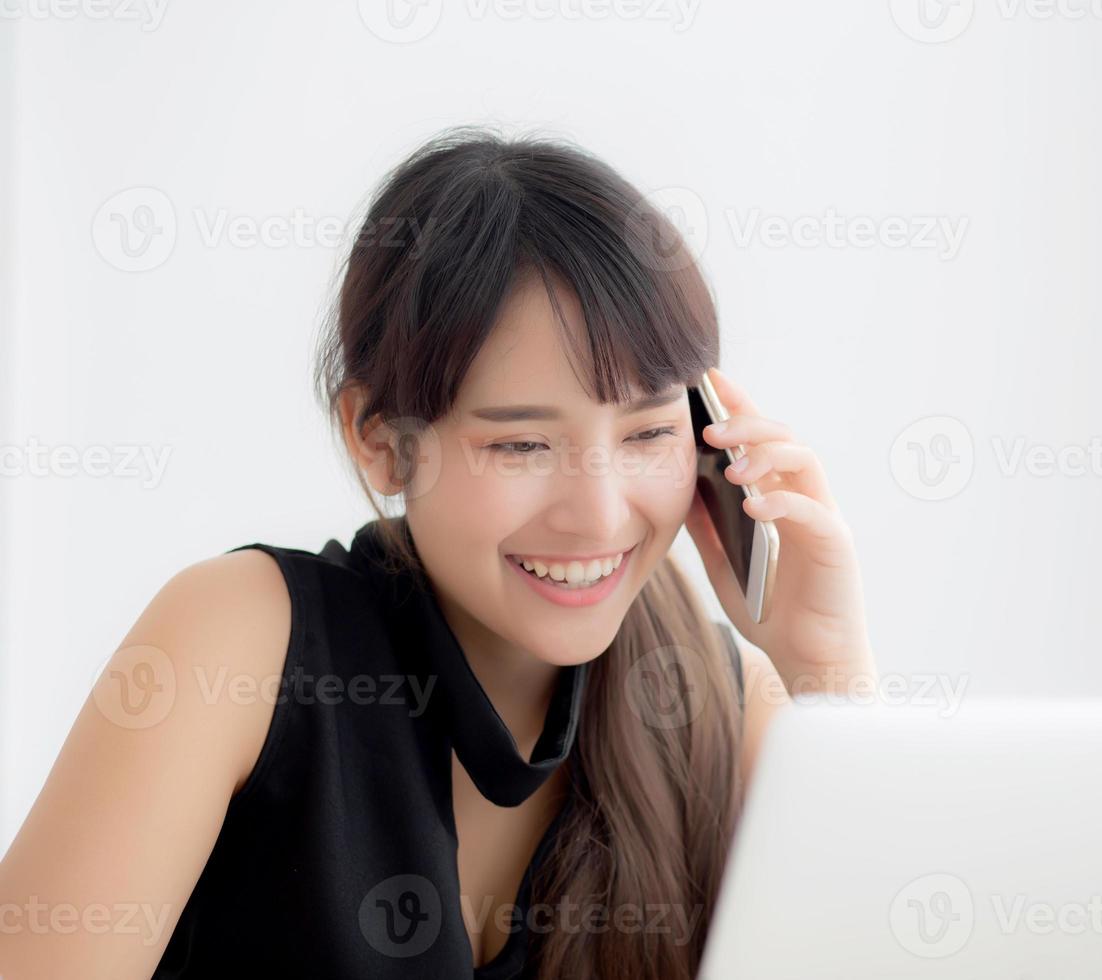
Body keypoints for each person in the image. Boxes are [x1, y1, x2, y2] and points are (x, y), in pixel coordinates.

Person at [0, 126, 875, 979]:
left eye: (647, 434)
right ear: (380, 441)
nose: (599, 515)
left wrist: (825, 667)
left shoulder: (721, 707)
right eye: (521, 446)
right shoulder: (237, 641)